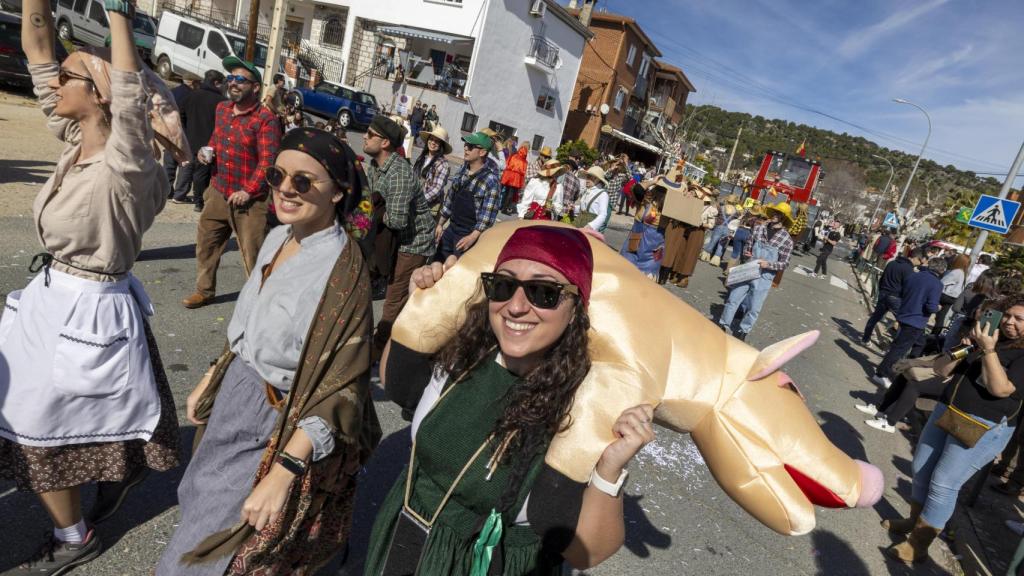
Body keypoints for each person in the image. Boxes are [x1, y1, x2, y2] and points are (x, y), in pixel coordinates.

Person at [1, 2, 186, 572]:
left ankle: (74, 537)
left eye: (70, 76)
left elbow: (128, 93)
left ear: (101, 96)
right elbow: (37, 47)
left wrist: (119, 17)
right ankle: (115, 477)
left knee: (35, 426)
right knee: (44, 415)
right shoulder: (77, 135)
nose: (55, 82)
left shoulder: (127, 164)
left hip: (88, 306)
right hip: (50, 298)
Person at [365, 225, 655, 575]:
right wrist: (419, 310)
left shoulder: (586, 401)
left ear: (576, 306)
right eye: (503, 285)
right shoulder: (466, 351)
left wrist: (611, 468)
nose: (516, 307)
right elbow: (399, 384)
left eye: (543, 292)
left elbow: (587, 553)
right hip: (402, 539)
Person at [156, 128, 380, 575]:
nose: (283, 188)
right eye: (278, 175)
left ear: (337, 193)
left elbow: (341, 387)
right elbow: (248, 321)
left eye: (303, 181)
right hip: (237, 391)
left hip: (277, 413)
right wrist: (213, 376)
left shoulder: (343, 273)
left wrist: (284, 470)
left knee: (215, 536)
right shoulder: (279, 237)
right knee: (199, 498)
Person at [880, 294, 1024, 565]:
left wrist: (990, 352)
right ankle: (914, 521)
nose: (1009, 322)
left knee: (944, 483)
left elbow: (1001, 389)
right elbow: (940, 369)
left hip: (982, 426)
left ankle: (919, 544)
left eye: (1019, 319)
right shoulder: (990, 338)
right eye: (1007, 315)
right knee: (921, 468)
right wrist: (966, 348)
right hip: (948, 409)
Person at [182, 55, 281, 309]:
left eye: (240, 79)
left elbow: (268, 162)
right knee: (206, 244)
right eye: (230, 78)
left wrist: (248, 191)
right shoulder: (222, 110)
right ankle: (204, 290)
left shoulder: (265, 120)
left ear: (255, 87)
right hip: (218, 190)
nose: (233, 83)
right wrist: (207, 151)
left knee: (253, 255)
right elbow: (216, 139)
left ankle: (259, 304)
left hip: (250, 201)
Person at [365, 115, 437, 359]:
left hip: (412, 242)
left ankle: (379, 349)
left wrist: (371, 215)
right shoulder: (375, 165)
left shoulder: (398, 174)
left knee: (394, 296)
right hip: (391, 238)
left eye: (370, 134)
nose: (365, 137)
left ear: (385, 143)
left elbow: (395, 220)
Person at [717, 203, 795, 341]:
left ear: (784, 218)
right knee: (733, 299)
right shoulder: (759, 228)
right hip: (749, 269)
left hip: (765, 276)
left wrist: (768, 264)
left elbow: (785, 263)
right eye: (775, 212)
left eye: (779, 214)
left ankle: (743, 331)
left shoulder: (787, 240)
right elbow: (749, 243)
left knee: (754, 307)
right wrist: (747, 253)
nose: (775, 215)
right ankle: (723, 325)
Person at [872, 257, 947, 388]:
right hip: (916, 320)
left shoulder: (914, 276)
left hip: (905, 314)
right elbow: (931, 307)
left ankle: (905, 370)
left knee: (919, 343)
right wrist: (938, 308)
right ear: (942, 269)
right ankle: (881, 374)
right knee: (899, 348)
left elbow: (902, 293)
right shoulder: (937, 284)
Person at [434, 131, 501, 261]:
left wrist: (472, 238)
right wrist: (440, 224)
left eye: (470, 146)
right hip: (451, 229)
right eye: (465, 144)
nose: (465, 148)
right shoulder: (462, 170)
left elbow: (487, 218)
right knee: (436, 262)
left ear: (482, 152)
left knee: (455, 272)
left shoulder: (491, 181)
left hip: (468, 235)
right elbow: (450, 200)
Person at [175, 69, 226, 211]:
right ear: (216, 83)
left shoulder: (191, 96)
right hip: (212, 143)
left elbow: (181, 116)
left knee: (193, 171)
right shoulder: (222, 102)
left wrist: (188, 131)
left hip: (192, 141)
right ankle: (203, 200)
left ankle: (198, 200)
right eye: (222, 84)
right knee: (206, 173)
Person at [861, 247, 925, 346]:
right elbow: (908, 288)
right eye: (920, 261)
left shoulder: (892, 263)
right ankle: (893, 348)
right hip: (896, 297)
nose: (920, 263)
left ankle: (865, 339)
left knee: (875, 318)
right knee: (903, 323)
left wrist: (882, 290)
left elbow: (882, 279)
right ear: (915, 258)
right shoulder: (909, 270)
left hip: (883, 294)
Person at [661, 182, 718, 288]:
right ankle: (676, 273)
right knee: (680, 251)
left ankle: (684, 278)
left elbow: (711, 225)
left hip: (698, 231)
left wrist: (701, 223)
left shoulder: (711, 209)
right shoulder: (693, 202)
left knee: (690, 255)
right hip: (686, 229)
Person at [620, 182, 665, 280]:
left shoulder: (670, 208)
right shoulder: (646, 201)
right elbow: (637, 189)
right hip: (637, 243)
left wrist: (653, 181)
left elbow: (638, 188)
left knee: (642, 276)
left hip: (652, 249)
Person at [413, 124, 452, 208]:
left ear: (441, 145)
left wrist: (417, 201)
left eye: (437, 141)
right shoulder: (423, 157)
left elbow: (436, 190)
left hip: (428, 206)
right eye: (431, 139)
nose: (433, 143)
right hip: (414, 199)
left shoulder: (443, 164)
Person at [933, 254, 970, 335]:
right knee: (941, 316)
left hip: (945, 295)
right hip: (952, 298)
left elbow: (942, 283)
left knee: (937, 313)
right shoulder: (964, 273)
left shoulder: (956, 272)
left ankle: (934, 333)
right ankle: (935, 335)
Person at [575, 165, 611, 233]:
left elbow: (603, 215)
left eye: (590, 177)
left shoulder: (603, 194)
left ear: (597, 179)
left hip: (590, 230)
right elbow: (584, 208)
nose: (587, 180)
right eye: (587, 177)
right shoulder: (587, 191)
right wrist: (574, 208)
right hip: (579, 224)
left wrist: (590, 226)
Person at [500, 143, 529, 215]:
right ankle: (505, 209)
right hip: (515, 177)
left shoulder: (514, 155)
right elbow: (522, 169)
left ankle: (502, 206)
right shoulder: (523, 159)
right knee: (511, 193)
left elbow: (508, 164)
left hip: (509, 175)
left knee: (506, 192)